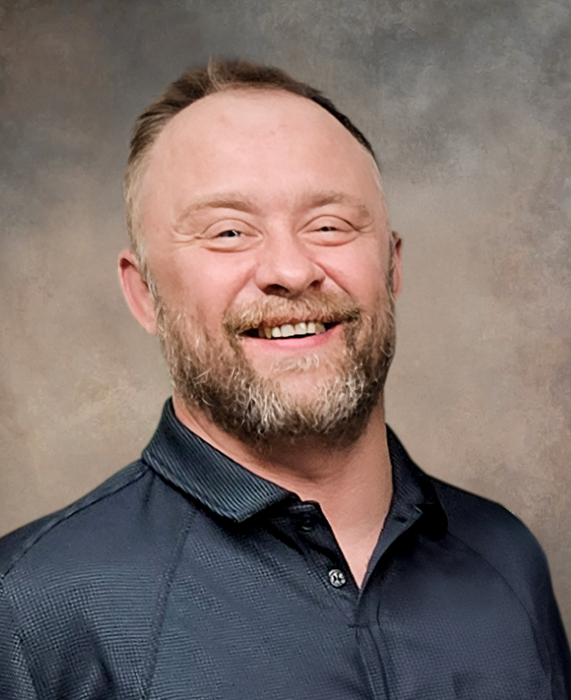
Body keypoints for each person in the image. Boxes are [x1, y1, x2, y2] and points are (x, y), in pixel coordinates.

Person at [0, 60, 569, 700]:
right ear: (145, 295)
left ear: (391, 267)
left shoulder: (506, 558)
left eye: (328, 225)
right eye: (229, 231)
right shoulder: (27, 610)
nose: (292, 270)